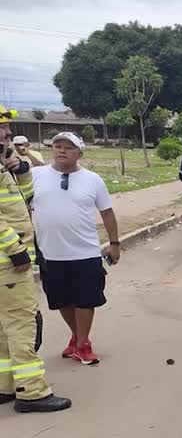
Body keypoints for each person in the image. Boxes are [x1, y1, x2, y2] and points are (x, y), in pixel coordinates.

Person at [0, 107, 71, 412]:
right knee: (21, 324)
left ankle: (5, 385)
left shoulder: (4, 162)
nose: (6, 133)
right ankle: (32, 392)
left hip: (9, 261)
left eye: (6, 127)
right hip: (8, 261)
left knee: (4, 328)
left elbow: (24, 198)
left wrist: (20, 171)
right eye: (1, 128)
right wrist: (14, 247)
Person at [31, 132, 119, 366]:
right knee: (61, 301)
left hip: (85, 252)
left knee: (85, 300)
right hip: (50, 253)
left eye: (68, 147)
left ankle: (82, 344)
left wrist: (114, 243)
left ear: (79, 153)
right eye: (57, 146)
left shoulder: (93, 180)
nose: (61, 150)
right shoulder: (35, 176)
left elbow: (107, 213)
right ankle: (76, 335)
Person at [12, 135, 43, 204]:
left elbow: (42, 167)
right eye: (16, 145)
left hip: (33, 189)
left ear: (27, 145)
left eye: (20, 144)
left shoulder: (35, 154)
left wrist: (28, 154)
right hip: (18, 190)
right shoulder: (13, 155)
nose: (18, 147)